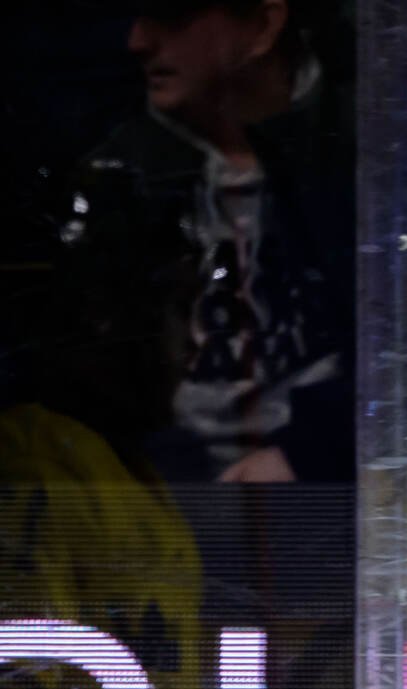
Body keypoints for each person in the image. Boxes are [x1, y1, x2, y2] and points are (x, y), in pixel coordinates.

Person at [50, 0, 353, 485]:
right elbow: (92, 372)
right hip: (171, 504)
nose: (138, 41)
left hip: (343, 502)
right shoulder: (118, 173)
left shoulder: (375, 151)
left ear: (261, 25)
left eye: (172, 16)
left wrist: (315, 452)